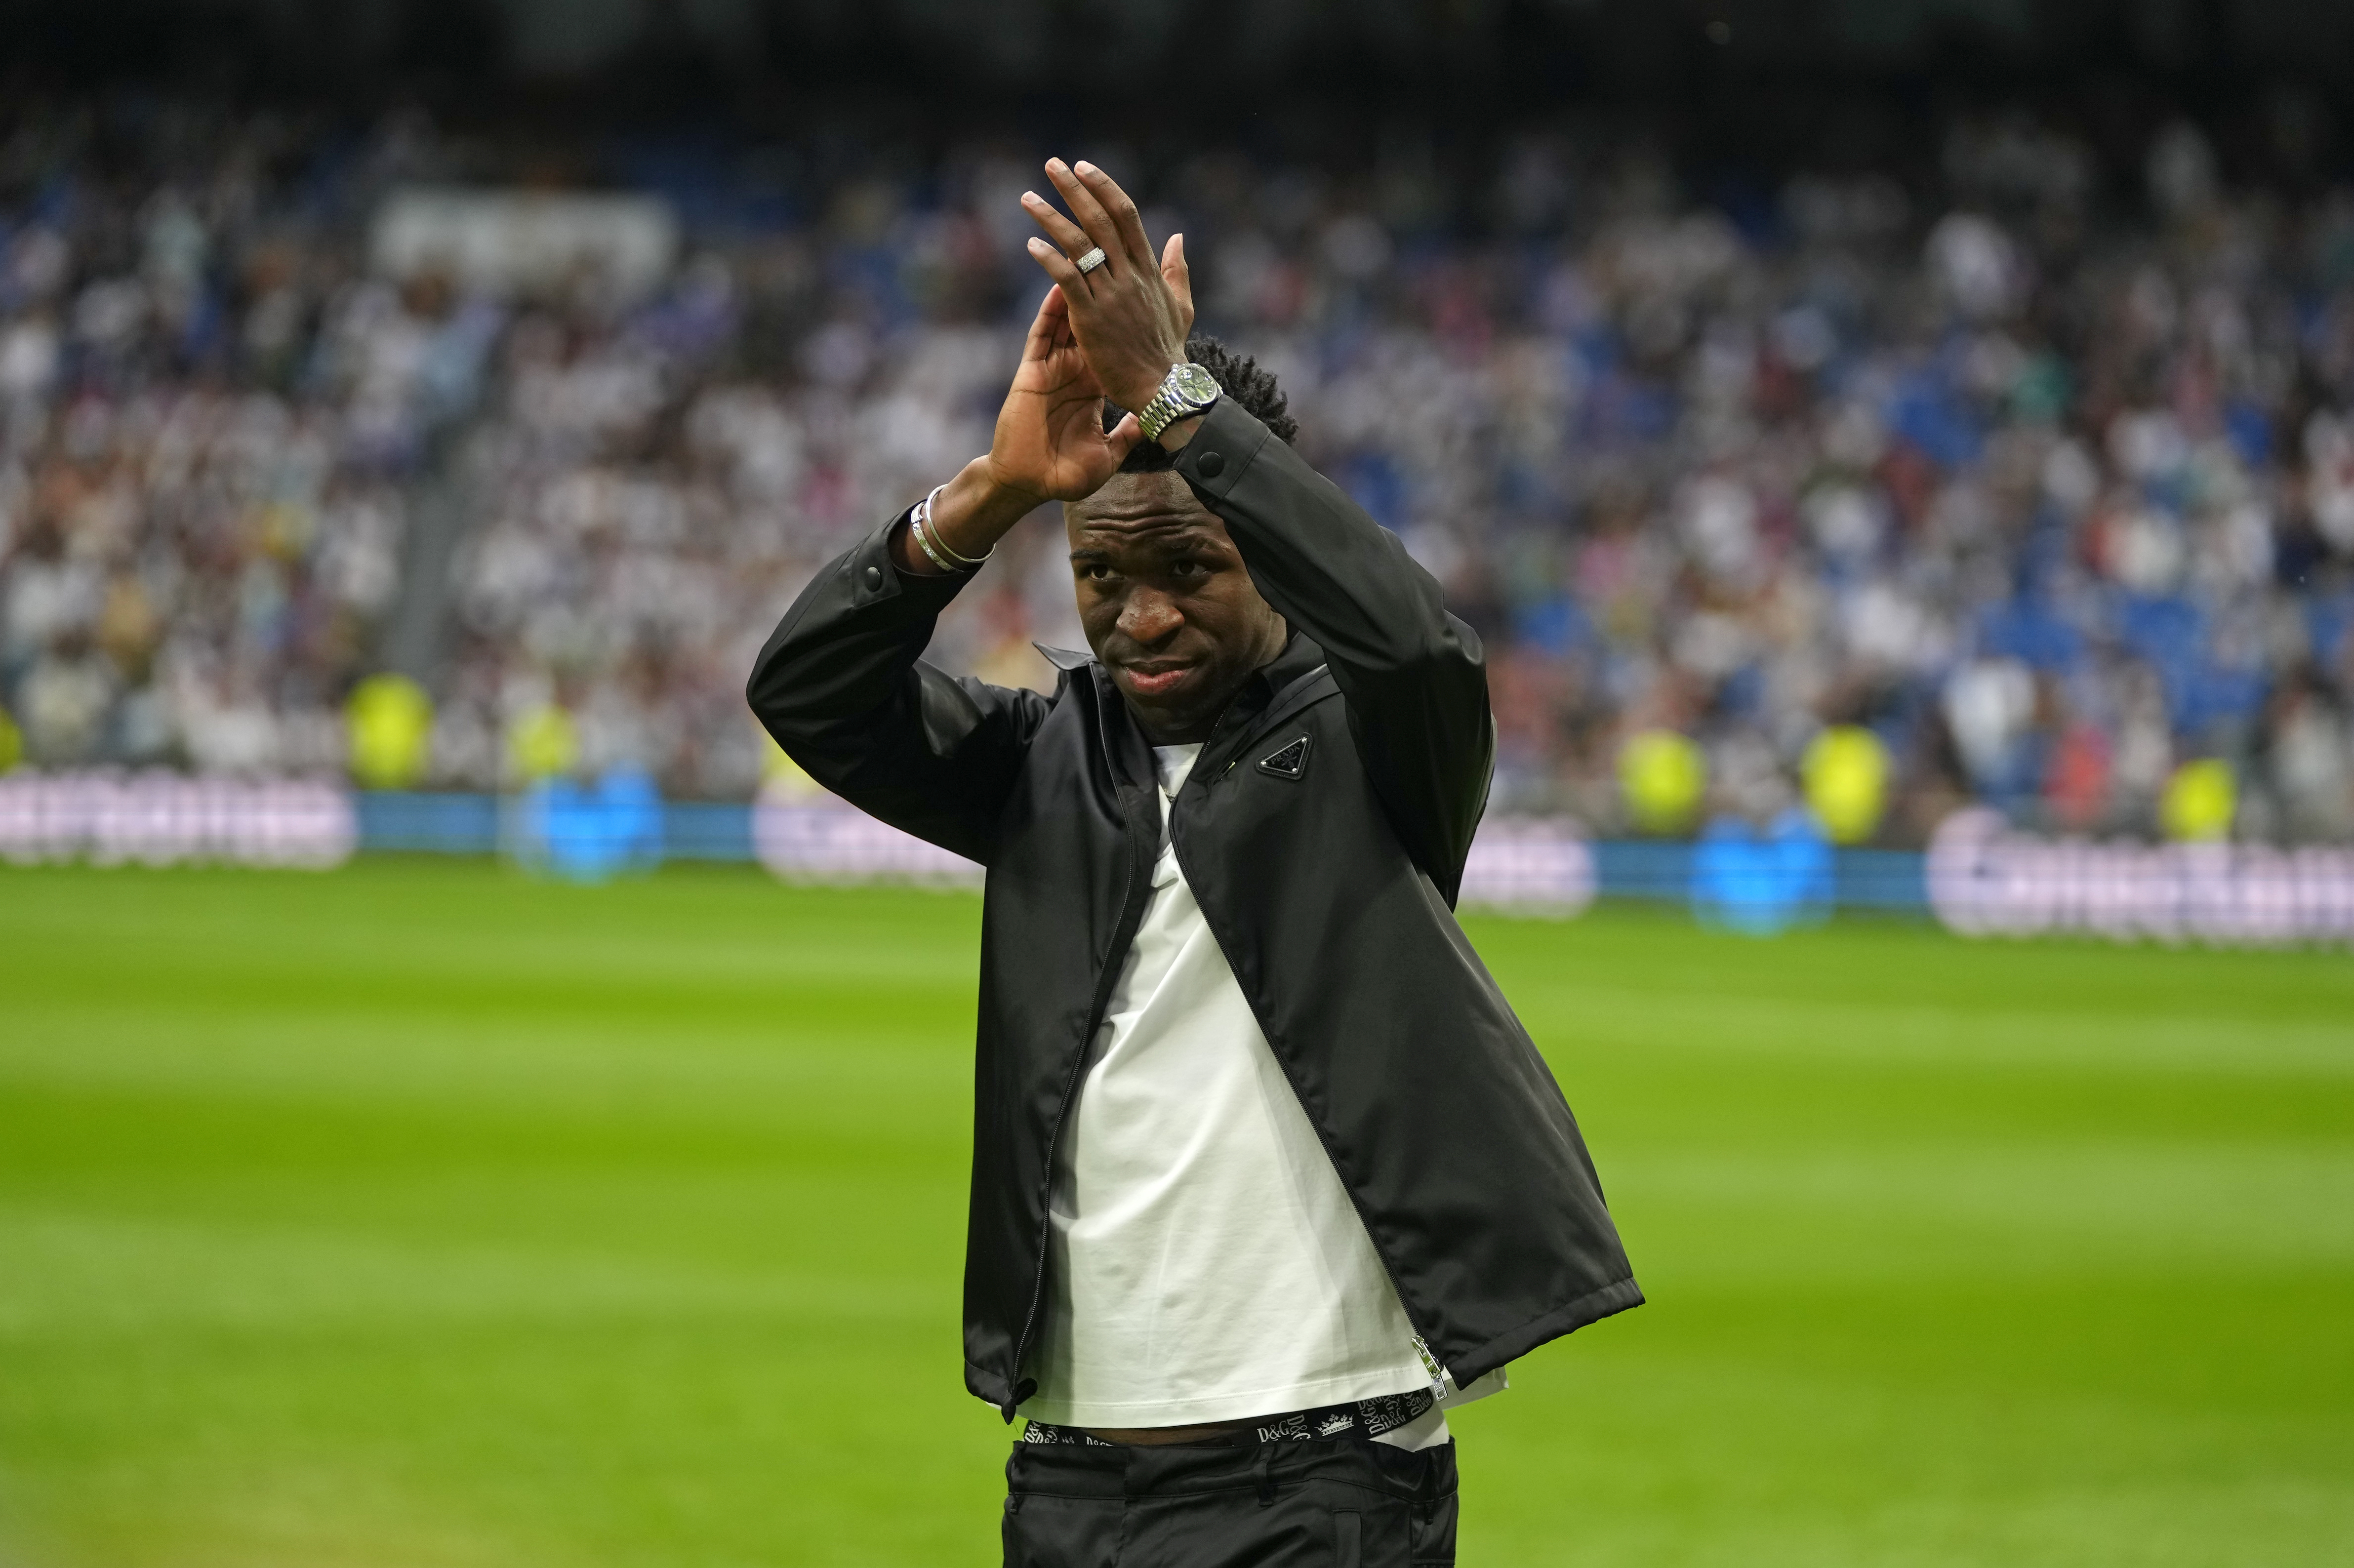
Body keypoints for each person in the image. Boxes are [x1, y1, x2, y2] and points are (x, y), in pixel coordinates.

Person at [748, 158, 1639, 1567]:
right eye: (1103, 578)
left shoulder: (1377, 748)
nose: (1140, 617)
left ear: (1270, 557)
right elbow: (810, 694)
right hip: (1072, 1474)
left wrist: (1180, 402)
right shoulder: (1043, 763)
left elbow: (1418, 644)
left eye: (1189, 570)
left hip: (1328, 1469)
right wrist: (990, 496)